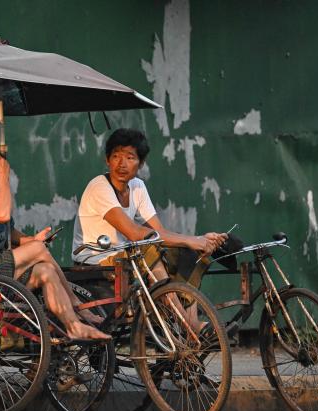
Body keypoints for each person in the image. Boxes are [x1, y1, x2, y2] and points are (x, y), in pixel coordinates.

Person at [72, 128, 227, 332]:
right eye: (116, 156)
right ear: (107, 160)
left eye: (130, 157)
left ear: (141, 163)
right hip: (95, 260)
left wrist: (197, 240)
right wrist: (191, 238)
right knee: (150, 250)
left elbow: (158, 231)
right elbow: (135, 233)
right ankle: (187, 325)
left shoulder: (137, 187)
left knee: (189, 253)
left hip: (126, 257)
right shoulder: (99, 187)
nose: (122, 164)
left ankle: (187, 318)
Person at [0, 151, 110, 341]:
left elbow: (10, 232)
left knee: (46, 270)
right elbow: (2, 216)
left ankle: (73, 326)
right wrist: (4, 178)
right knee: (39, 251)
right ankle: (75, 302)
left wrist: (33, 240)